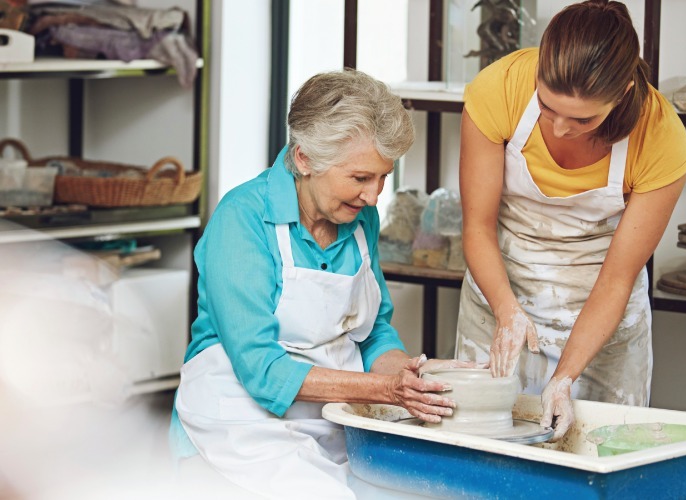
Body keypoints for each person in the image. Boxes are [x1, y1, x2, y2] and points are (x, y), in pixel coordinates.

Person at [169, 69, 471, 499]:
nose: (374, 196)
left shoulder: (357, 215)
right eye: (361, 178)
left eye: (384, 177)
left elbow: (374, 334)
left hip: (332, 415)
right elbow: (262, 371)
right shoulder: (242, 219)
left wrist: (412, 376)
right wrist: (387, 391)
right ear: (305, 159)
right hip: (238, 421)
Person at [455, 0, 686, 442]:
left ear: (622, 92)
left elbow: (616, 280)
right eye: (547, 106)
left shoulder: (660, 136)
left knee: (596, 452)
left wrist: (564, 377)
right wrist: (508, 312)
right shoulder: (501, 87)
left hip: (600, 309)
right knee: (483, 450)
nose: (561, 128)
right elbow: (477, 228)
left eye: (583, 118)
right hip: (502, 285)